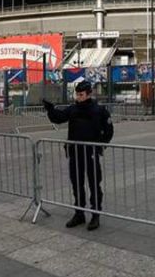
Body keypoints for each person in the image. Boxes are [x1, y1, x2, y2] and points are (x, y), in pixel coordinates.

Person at [43, 80, 113, 231]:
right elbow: (59, 118)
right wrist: (50, 109)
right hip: (75, 153)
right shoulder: (73, 109)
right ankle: (79, 213)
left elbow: (109, 131)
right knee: (77, 184)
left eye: (81, 95)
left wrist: (99, 147)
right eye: (77, 94)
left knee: (94, 184)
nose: (78, 97)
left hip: (91, 153)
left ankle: (95, 215)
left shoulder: (99, 110)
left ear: (89, 94)